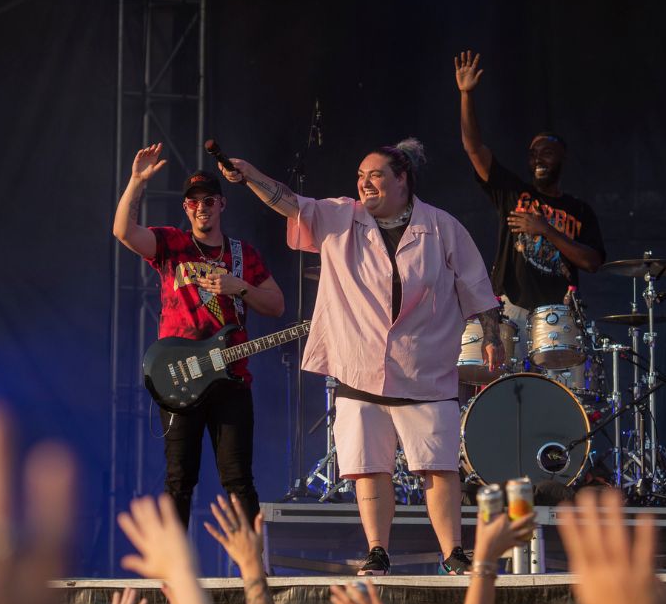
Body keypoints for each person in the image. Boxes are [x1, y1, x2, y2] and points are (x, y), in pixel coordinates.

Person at [219, 139, 503, 575]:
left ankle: (453, 553)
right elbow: (290, 203)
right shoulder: (340, 216)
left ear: (402, 179)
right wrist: (251, 175)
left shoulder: (442, 227)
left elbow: (475, 283)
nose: (364, 183)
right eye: (360, 176)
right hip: (358, 362)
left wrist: (490, 334)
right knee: (369, 466)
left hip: (423, 364)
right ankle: (377, 550)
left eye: (375, 175)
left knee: (438, 464)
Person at [113, 144, 285, 527]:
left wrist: (238, 286)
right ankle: (174, 574)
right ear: (186, 209)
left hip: (232, 377)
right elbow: (123, 231)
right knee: (179, 479)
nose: (201, 208)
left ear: (222, 204)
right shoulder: (171, 243)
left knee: (239, 478)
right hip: (180, 375)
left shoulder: (243, 255)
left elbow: (276, 305)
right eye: (194, 203)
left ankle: (251, 568)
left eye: (209, 200)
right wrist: (137, 182)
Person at [454, 50, 606, 333]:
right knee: (509, 378)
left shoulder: (579, 211)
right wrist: (466, 95)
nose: (538, 159)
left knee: (556, 380)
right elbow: (473, 148)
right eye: (533, 154)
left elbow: (592, 261)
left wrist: (545, 229)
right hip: (512, 309)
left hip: (559, 315)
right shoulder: (513, 193)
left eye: (547, 153)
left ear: (562, 159)